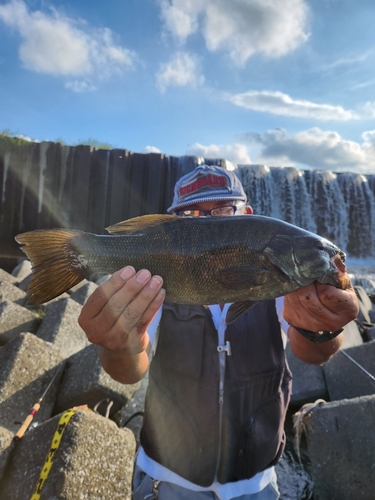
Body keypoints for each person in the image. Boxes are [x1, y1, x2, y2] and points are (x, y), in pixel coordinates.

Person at [78, 165, 358, 500]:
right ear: (173, 225)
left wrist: (322, 328)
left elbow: (312, 353)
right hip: (165, 480)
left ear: (248, 215)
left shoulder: (282, 281)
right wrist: (120, 344)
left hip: (256, 484)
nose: (208, 221)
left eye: (224, 210)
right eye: (192, 214)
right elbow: (129, 372)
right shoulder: (152, 286)